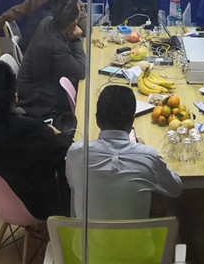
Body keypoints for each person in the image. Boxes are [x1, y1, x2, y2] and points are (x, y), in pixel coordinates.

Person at [0, 61, 72, 219]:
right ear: (14, 96)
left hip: (0, 202)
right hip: (41, 205)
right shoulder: (31, 131)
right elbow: (70, 151)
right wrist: (56, 133)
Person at [65, 84, 182, 219]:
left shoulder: (76, 153)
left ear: (97, 120)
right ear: (132, 122)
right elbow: (176, 189)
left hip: (87, 233)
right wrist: (146, 153)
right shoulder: (149, 156)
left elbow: (72, 183)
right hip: (137, 234)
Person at [17, 0, 86, 121]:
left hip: (32, 88)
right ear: (73, 24)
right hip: (37, 100)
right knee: (86, 96)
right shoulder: (56, 47)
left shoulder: (47, 21)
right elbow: (82, 71)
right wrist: (76, 40)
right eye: (80, 11)